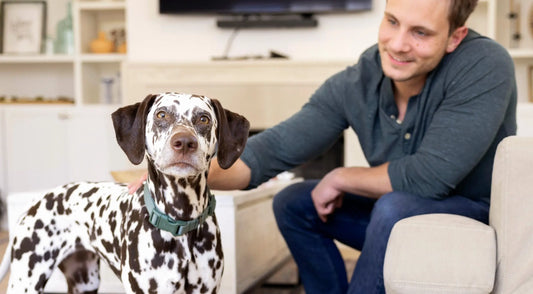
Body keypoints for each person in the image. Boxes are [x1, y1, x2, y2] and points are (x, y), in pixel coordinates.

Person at [131, 0, 517, 292]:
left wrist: (340, 177)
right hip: (393, 214)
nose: (398, 44)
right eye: (392, 22)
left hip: (470, 217)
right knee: (293, 202)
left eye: (421, 33)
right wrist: (171, 172)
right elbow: (273, 150)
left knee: (394, 207)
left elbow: (432, 176)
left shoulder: (485, 64)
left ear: (455, 37)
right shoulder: (360, 79)